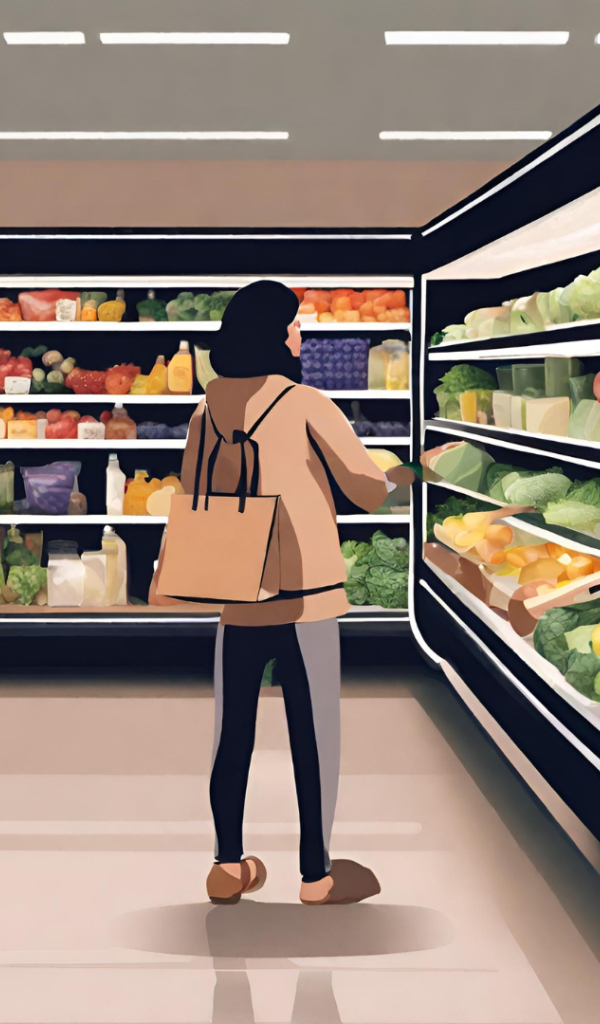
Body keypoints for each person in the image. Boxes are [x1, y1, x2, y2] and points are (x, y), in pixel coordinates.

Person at [176, 280, 413, 906]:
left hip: (236, 591)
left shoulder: (207, 408)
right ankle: (317, 874)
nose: (301, 336)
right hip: (305, 595)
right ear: (276, 335)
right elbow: (366, 490)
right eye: (295, 325)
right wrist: (412, 473)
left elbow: (192, 486)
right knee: (314, 734)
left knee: (233, 733)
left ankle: (228, 867)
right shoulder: (307, 402)